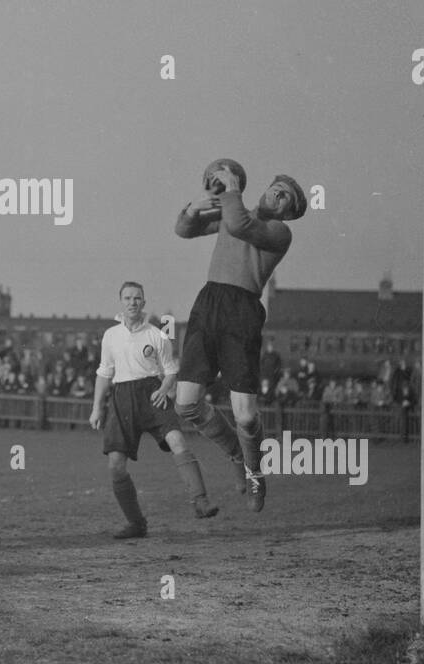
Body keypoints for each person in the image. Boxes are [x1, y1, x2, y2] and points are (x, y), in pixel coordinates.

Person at [172, 160, 307, 511]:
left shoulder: (279, 232)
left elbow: (237, 223)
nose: (277, 195)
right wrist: (193, 209)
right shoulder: (235, 208)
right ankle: (235, 453)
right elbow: (184, 230)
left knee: (245, 415)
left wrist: (232, 189)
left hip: (242, 311)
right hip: (209, 302)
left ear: (287, 213)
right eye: (276, 188)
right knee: (186, 403)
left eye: (285, 198)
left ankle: (254, 470)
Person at [88, 282, 219, 539]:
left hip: (152, 394)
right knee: (116, 465)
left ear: (144, 303)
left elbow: (171, 370)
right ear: (121, 302)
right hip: (122, 397)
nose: (132, 302)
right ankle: (136, 524)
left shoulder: (156, 335)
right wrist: (96, 408)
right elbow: (104, 374)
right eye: (127, 298)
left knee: (178, 440)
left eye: (137, 298)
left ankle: (200, 501)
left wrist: (164, 388)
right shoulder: (110, 336)